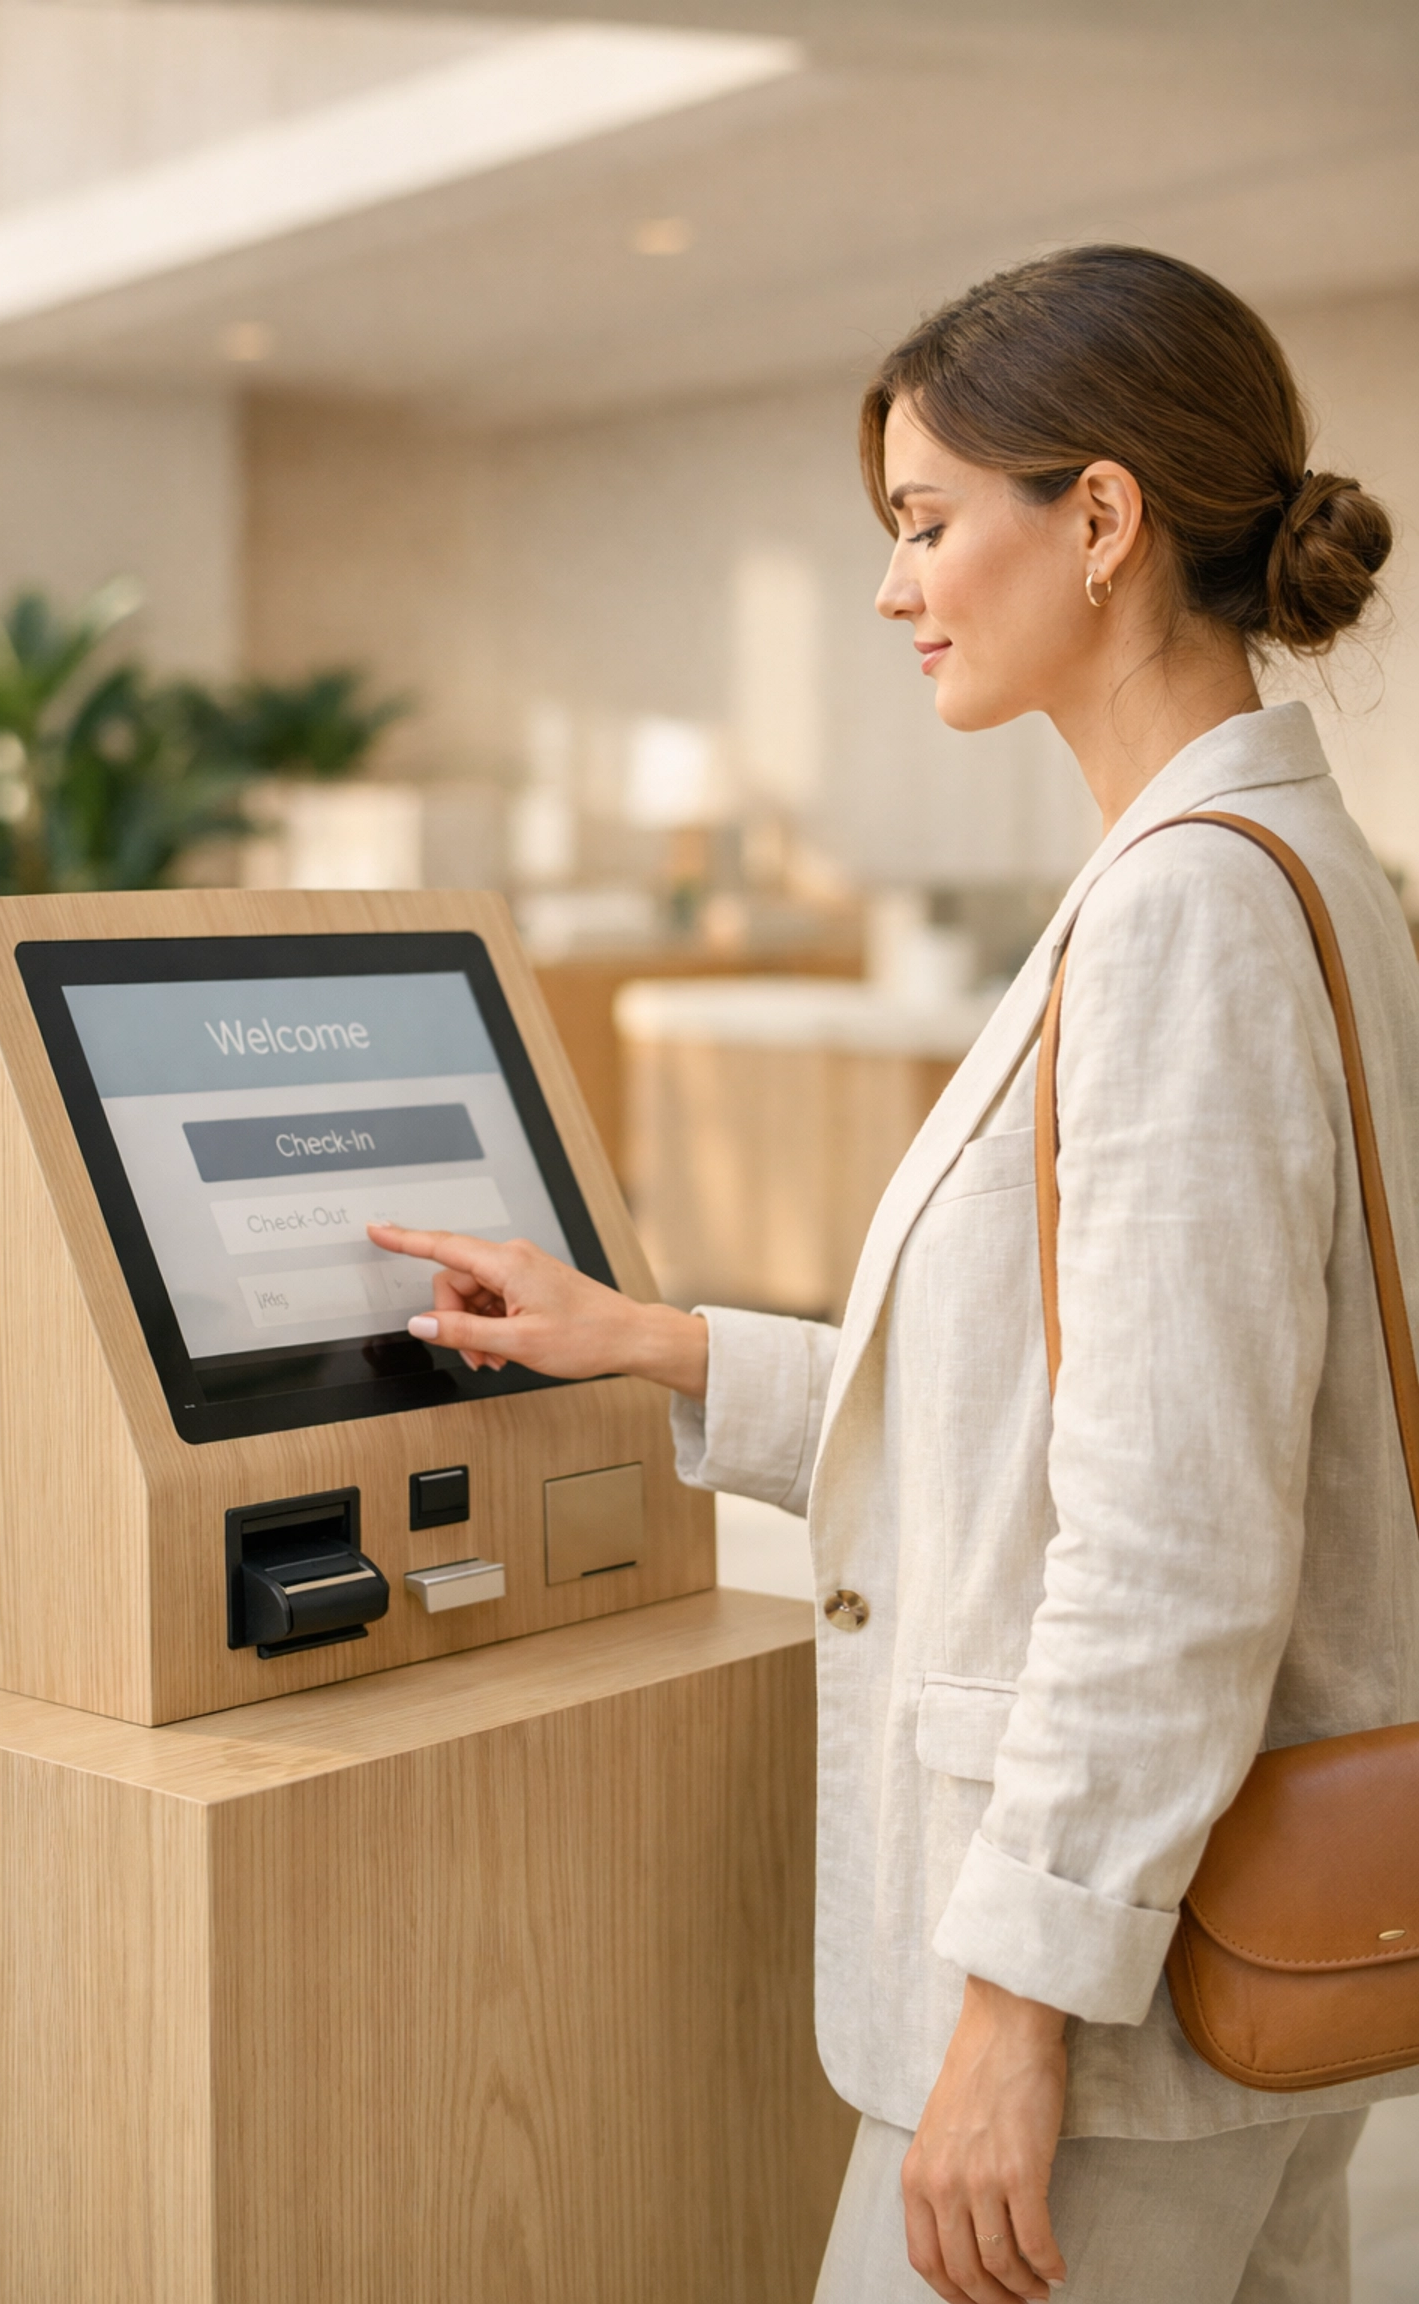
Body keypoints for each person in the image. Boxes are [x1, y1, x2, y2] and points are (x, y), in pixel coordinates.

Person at [369, 246, 1419, 2303]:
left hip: (1109, 2010)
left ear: (1101, 521)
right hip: (1227, 1953)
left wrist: (1014, 2016)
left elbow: (1173, 1541)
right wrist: (651, 1343)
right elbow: (1064, 1401)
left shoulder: (1189, 917)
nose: (891, 588)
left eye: (929, 523)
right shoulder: (1294, 866)